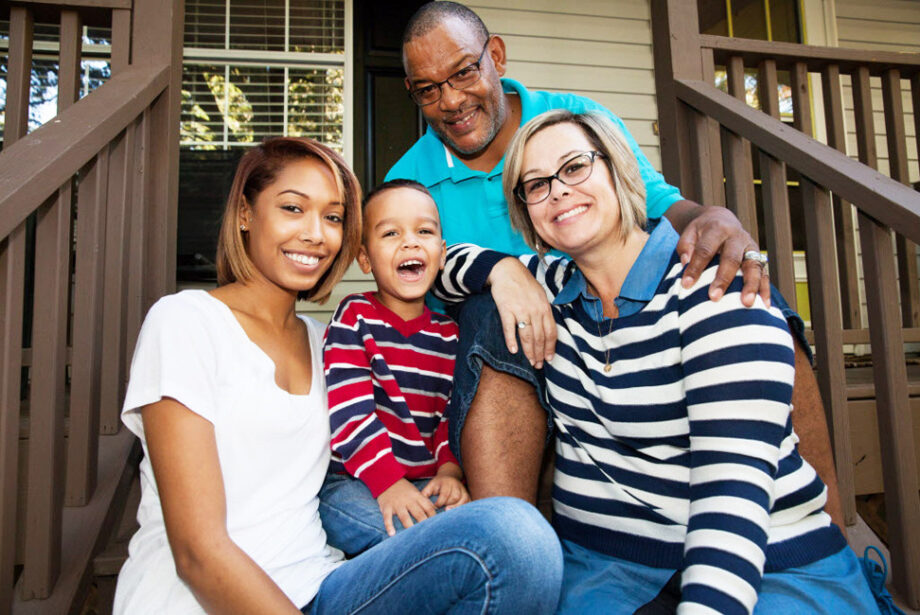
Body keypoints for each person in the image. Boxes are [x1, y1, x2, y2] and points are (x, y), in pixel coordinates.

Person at [386, 1, 843, 532]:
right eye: (428, 89)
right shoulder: (407, 181)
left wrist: (714, 218)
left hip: (614, 324)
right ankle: (507, 546)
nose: (450, 101)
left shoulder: (576, 119)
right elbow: (411, 284)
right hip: (504, 359)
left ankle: (832, 532)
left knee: (746, 281)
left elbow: (660, 207)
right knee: (489, 313)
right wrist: (501, 271)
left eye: (464, 72)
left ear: (497, 57)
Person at [434, 109, 875, 614]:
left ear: (620, 171)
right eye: (536, 185)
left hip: (765, 561)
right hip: (610, 567)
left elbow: (730, 504)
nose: (557, 191)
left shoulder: (718, 293)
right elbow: (440, 264)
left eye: (575, 167)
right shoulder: (550, 285)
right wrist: (502, 270)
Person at [113, 137, 563, 614]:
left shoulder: (321, 340)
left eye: (332, 218)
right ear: (245, 213)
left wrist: (503, 271)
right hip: (199, 602)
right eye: (293, 208)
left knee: (518, 536)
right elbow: (198, 553)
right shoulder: (185, 321)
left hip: (325, 587)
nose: (316, 234)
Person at [320, 179, 469, 555]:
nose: (410, 242)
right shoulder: (355, 316)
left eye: (424, 231)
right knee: (424, 541)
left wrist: (450, 472)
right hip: (354, 479)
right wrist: (387, 482)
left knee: (468, 526)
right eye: (391, 233)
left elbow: (449, 417)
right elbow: (349, 413)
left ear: (442, 252)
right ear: (365, 258)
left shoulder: (450, 335)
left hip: (422, 481)